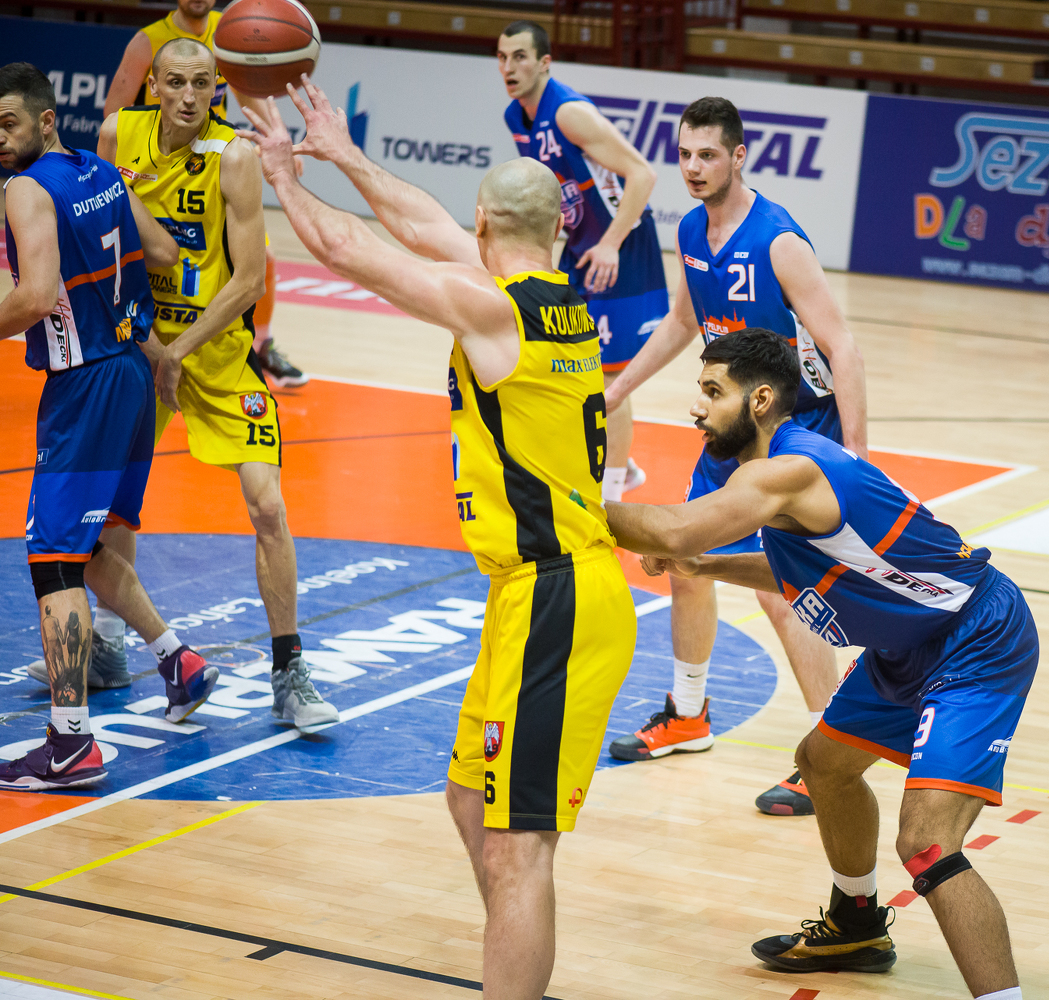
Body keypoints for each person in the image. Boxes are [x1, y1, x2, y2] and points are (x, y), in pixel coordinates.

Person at [238, 77, 639, 1000]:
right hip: (532, 593)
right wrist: (345, 156)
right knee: (469, 802)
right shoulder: (549, 294)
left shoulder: (493, 309)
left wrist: (284, 178)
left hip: (556, 595)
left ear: (485, 223)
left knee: (516, 849)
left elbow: (353, 249)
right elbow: (422, 227)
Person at [607, 327, 1037, 998]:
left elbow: (672, 529)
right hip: (909, 644)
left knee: (927, 844)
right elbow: (807, 571)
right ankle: (856, 924)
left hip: (976, 638)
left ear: (760, 400)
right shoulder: (776, 471)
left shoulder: (791, 470)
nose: (697, 407)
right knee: (823, 764)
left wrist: (566, 506)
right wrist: (709, 567)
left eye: (713, 391)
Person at [601, 96, 867, 817]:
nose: (693, 168)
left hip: (793, 431)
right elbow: (683, 321)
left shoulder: (778, 240)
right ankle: (688, 714)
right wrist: (613, 391)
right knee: (683, 559)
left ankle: (831, 756)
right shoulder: (690, 228)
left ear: (738, 156)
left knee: (783, 594)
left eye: (708, 155)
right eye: (685, 155)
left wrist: (857, 456)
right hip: (730, 427)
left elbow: (842, 346)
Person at [92, 38, 338, 729]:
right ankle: (109, 647)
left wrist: (180, 351)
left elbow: (250, 280)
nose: (190, 96)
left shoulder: (234, 156)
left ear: (216, 90)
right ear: (154, 87)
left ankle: (289, 671)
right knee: (113, 509)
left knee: (268, 507)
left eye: (203, 83)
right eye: (176, 82)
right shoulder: (117, 137)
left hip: (218, 354)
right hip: (141, 348)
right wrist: (152, 347)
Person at [0, 62, 221, 789]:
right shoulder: (100, 171)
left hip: (87, 384)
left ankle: (70, 743)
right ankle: (178, 661)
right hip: (132, 371)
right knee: (90, 550)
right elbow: (162, 253)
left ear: (46, 120)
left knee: (54, 559)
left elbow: (35, 299)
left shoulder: (25, 188)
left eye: (8, 123)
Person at [102, 0, 308, 389]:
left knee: (259, 260)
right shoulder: (147, 42)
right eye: (176, 83)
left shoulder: (233, 32)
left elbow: (247, 95)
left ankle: (261, 346)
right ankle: (134, 338)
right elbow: (115, 110)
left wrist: (276, 139)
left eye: (200, 83)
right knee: (155, 257)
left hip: (213, 162)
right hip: (156, 169)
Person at [499, 19, 664, 502]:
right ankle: (622, 466)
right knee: (564, 356)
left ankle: (611, 497)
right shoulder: (516, 117)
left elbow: (643, 174)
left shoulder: (569, 113)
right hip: (581, 244)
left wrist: (610, 242)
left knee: (609, 373)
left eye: (520, 57)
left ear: (544, 63)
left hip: (621, 243)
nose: (509, 67)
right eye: (502, 57)